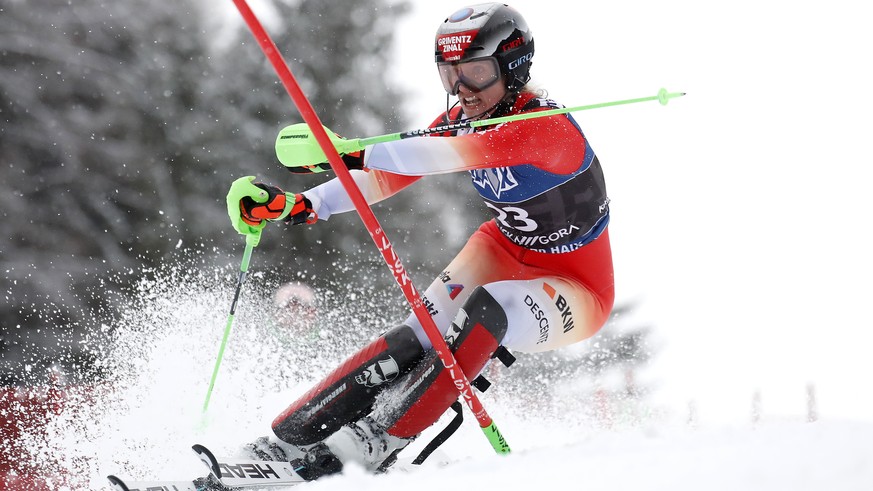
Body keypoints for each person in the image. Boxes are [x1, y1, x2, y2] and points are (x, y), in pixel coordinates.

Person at [225, 2, 614, 480]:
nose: (462, 90)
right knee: (419, 335)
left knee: (486, 310)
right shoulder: (466, 116)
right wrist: (304, 205)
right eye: (450, 74)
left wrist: (345, 152)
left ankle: (378, 438)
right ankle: (289, 437)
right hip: (503, 247)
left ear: (513, 68)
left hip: (575, 285)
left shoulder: (544, 128)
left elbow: (433, 155)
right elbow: (390, 174)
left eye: (476, 72)